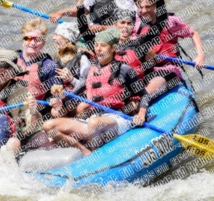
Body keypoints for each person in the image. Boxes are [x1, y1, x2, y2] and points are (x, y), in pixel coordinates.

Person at [43, 28, 151, 156]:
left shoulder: (125, 69)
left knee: (94, 123)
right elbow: (73, 95)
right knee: (49, 125)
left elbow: (144, 95)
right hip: (93, 120)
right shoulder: (91, 71)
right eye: (96, 45)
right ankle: (85, 152)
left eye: (103, 46)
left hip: (118, 119)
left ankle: (95, 156)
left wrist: (141, 114)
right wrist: (59, 100)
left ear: (113, 48)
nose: (98, 49)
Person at [133, 0, 205, 93]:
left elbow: (193, 33)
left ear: (154, 5)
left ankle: (143, 99)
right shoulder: (135, 24)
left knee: (144, 92)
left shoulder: (170, 22)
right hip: (146, 70)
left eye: (148, 7)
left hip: (168, 70)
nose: (144, 11)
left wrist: (200, 56)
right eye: (140, 7)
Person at [15, 18, 61, 102]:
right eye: (28, 38)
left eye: (38, 39)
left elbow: (59, 97)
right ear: (22, 39)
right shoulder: (11, 59)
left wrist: (57, 99)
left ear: (43, 43)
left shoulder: (49, 67)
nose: (32, 43)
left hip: (36, 111)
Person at [52, 22, 91, 94]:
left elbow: (88, 90)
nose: (53, 38)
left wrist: (71, 79)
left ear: (67, 39)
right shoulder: (58, 57)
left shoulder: (82, 60)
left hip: (80, 100)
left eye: (56, 34)